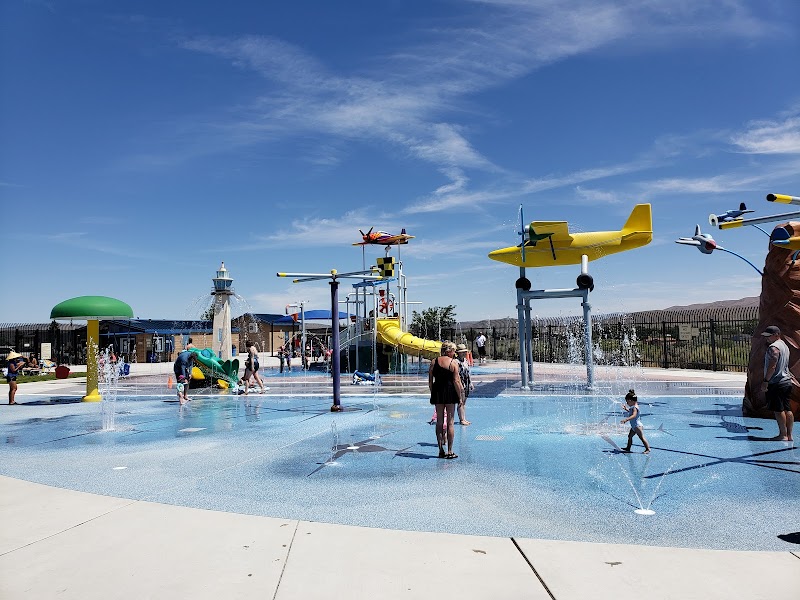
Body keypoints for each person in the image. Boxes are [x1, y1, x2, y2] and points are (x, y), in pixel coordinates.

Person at [428, 341, 464, 459]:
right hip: (449, 392)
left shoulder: (434, 362)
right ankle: (450, 451)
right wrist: (460, 397)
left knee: (439, 422)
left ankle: (440, 450)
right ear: (449, 351)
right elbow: (456, 381)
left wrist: (433, 392)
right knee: (450, 422)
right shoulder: (453, 363)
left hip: (438, 392)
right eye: (453, 351)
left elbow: (430, 381)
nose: (454, 353)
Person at [761, 325, 794, 441]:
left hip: (776, 382)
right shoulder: (785, 345)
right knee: (787, 408)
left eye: (769, 336)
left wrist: (765, 381)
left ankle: (783, 434)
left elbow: (772, 366)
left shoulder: (773, 347)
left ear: (776, 335)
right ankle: (789, 435)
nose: (767, 339)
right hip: (787, 381)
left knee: (778, 409)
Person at [620, 389, 651, 454]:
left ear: (630, 400)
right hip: (634, 426)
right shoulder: (633, 407)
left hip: (637, 426)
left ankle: (647, 449)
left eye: (627, 402)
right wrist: (626, 409)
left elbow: (634, 415)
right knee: (630, 436)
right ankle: (628, 448)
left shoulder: (634, 408)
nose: (627, 403)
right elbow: (631, 413)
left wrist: (626, 419)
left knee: (641, 437)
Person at [455, 343, 473, 425]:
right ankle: (461, 419)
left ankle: (463, 418)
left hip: (466, 382)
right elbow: (456, 375)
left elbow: (468, 372)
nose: (464, 353)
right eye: (462, 352)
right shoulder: (456, 361)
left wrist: (471, 383)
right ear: (458, 353)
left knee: (464, 402)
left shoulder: (465, 361)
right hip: (460, 382)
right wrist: (460, 385)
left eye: (465, 352)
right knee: (460, 401)